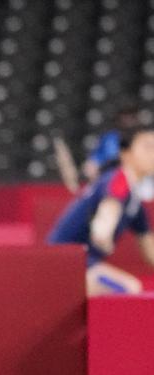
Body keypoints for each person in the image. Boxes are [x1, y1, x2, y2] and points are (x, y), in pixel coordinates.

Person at [48, 123, 154, 295]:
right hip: (64, 263)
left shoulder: (135, 199)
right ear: (125, 154)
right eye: (147, 147)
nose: (153, 154)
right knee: (128, 289)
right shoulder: (119, 180)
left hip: (85, 264)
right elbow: (109, 209)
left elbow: (150, 250)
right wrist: (102, 231)